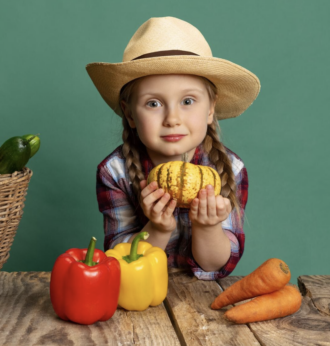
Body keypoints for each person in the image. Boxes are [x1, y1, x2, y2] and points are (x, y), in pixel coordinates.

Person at [86, 17, 260, 280]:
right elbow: (120, 265)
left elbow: (216, 266)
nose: (172, 118)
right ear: (130, 114)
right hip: (139, 296)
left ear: (211, 108)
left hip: (202, 302)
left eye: (188, 101)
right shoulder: (115, 172)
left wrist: (208, 226)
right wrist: (157, 228)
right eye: (153, 103)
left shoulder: (229, 169)